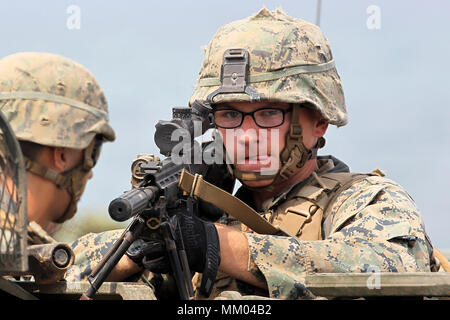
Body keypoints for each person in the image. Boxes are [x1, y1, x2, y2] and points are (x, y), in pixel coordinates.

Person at [71, 8, 442, 299]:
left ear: (318, 122)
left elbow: (390, 267)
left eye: (268, 114)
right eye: (230, 115)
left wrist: (218, 245)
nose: (246, 137)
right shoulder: (202, 218)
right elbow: (58, 266)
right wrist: (137, 250)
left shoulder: (365, 200)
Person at [0, 52, 116, 245]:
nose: (90, 174)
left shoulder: (21, 247)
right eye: (93, 150)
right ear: (62, 154)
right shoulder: (12, 253)